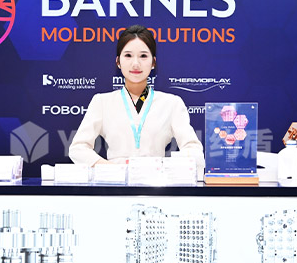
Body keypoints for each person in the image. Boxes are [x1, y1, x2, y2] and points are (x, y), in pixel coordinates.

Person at [69, 25, 203, 165]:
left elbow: (193, 148)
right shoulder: (102, 102)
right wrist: (109, 168)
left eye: (143, 56)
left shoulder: (171, 103)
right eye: (128, 55)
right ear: (118, 62)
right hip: (115, 178)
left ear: (153, 62)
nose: (135, 64)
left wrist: (166, 166)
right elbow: (78, 148)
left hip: (156, 177)